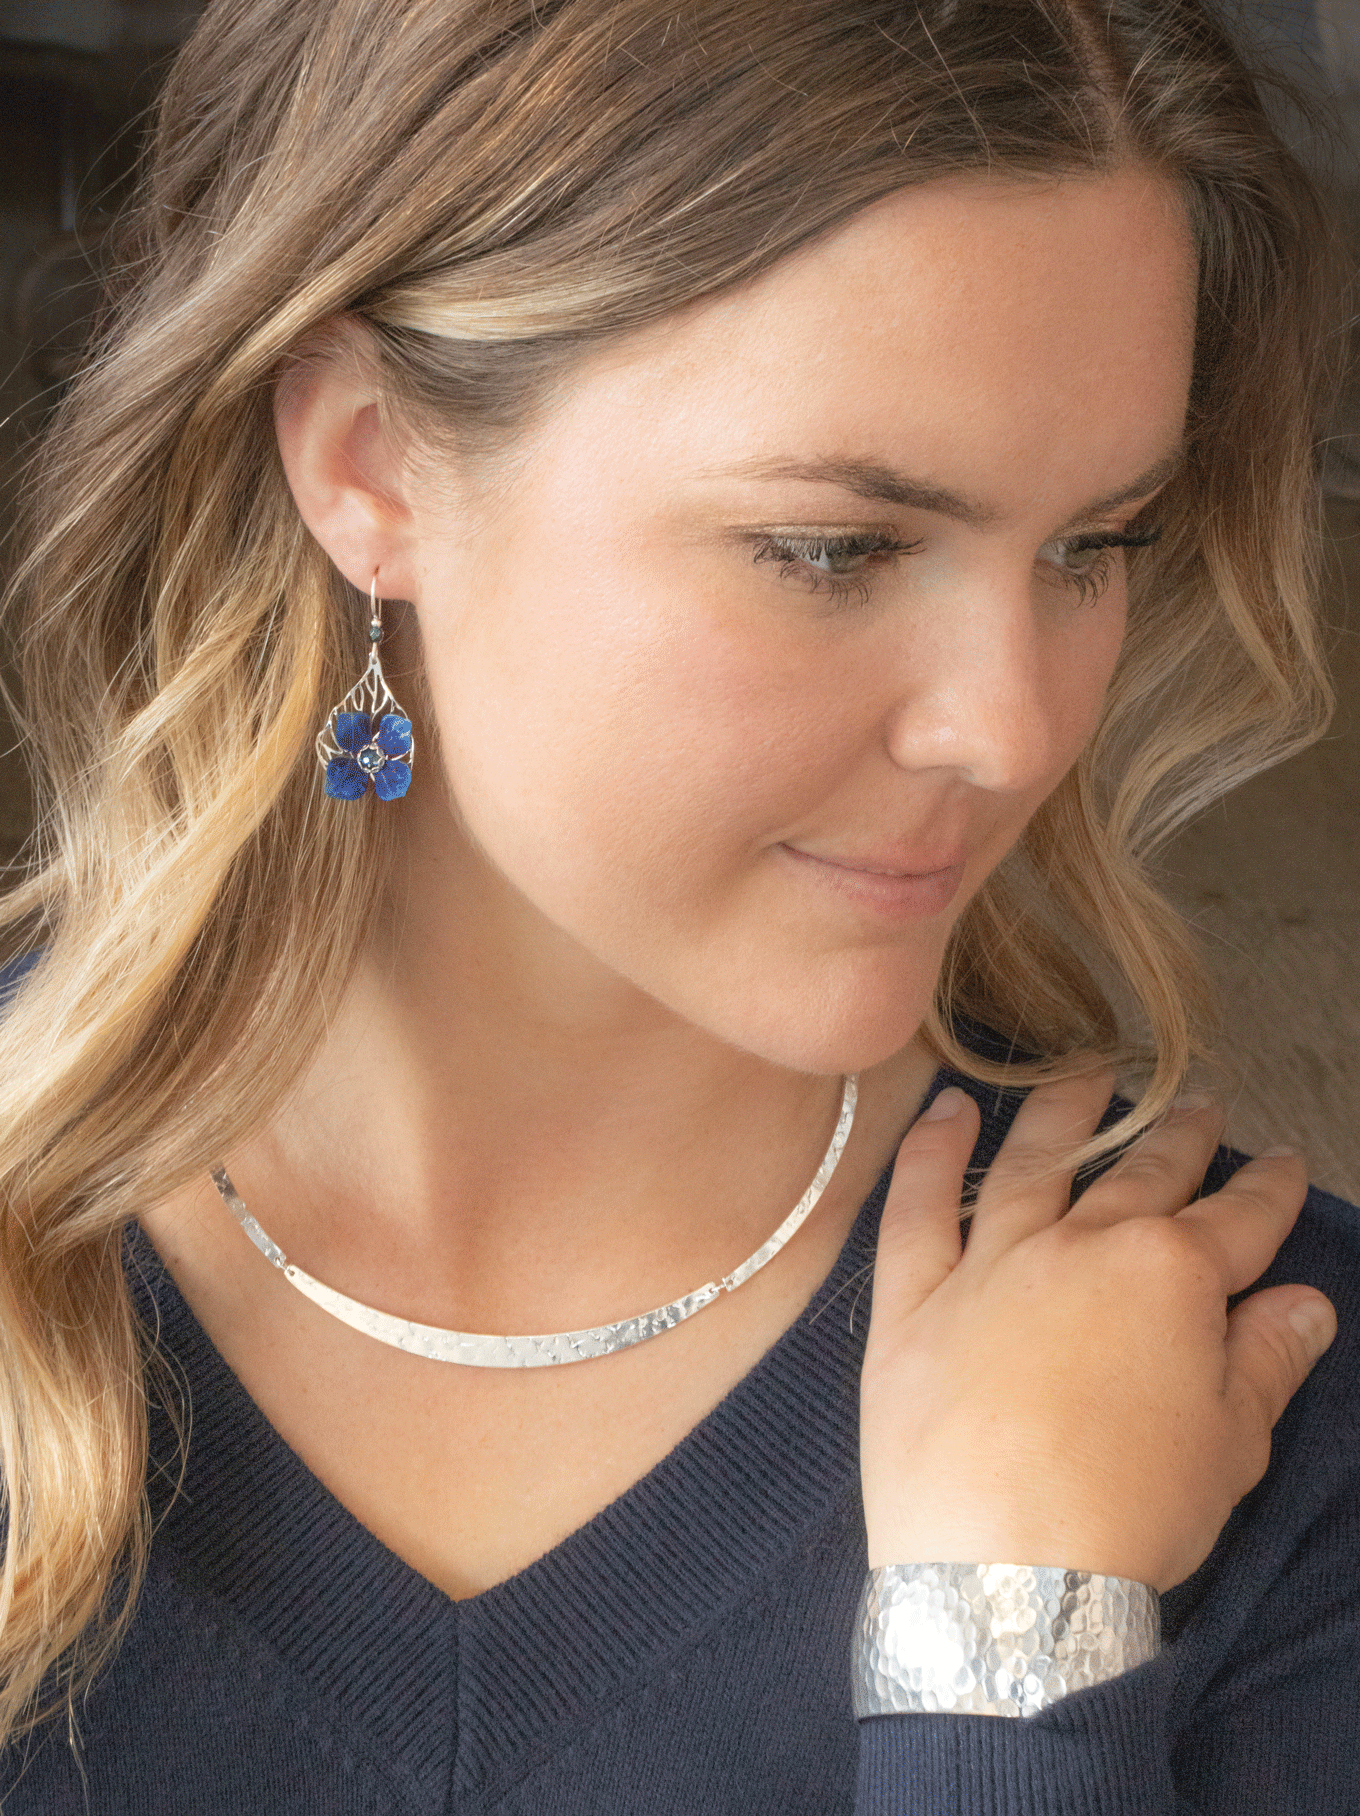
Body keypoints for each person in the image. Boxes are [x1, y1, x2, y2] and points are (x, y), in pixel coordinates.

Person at [0, 0, 1354, 1809]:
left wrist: (1019, 1640)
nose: (1014, 729)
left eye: (1091, 547)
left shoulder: (1262, 1385)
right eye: (836, 549)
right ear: (368, 464)